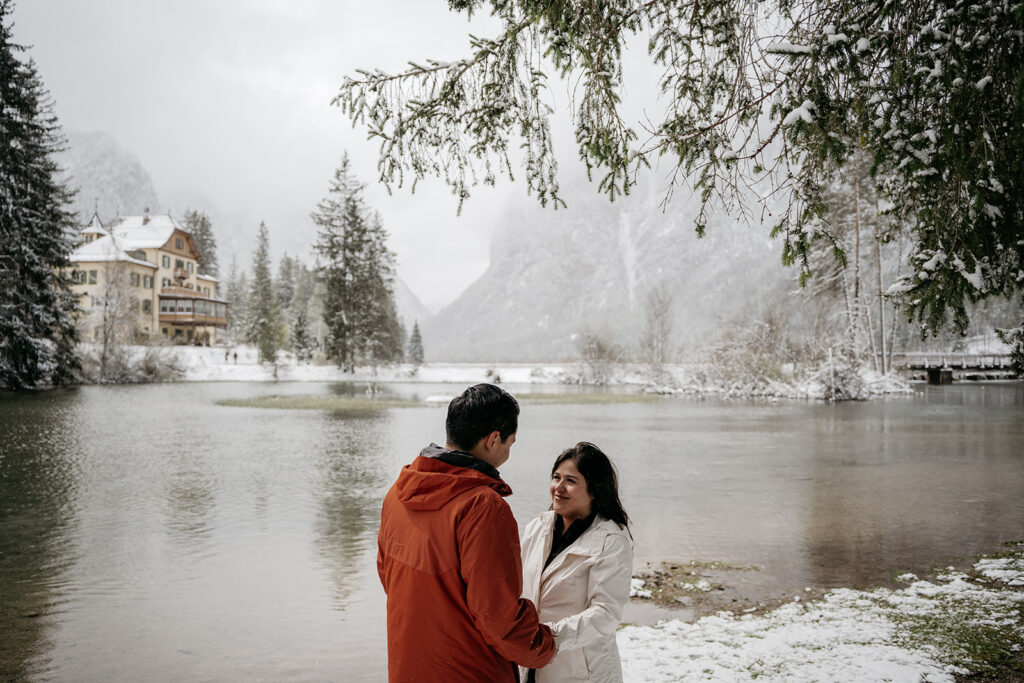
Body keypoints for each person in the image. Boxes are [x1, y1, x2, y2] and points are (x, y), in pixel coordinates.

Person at [377, 383, 557, 682]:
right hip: (470, 672)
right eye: (510, 444)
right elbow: (498, 618)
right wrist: (545, 646)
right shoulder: (482, 506)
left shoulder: (398, 492)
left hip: (408, 666)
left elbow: (389, 577)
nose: (508, 452)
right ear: (493, 439)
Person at [520, 442, 633, 683]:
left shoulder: (611, 541)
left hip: (582, 670)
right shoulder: (537, 526)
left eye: (570, 481)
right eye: (556, 477)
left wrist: (552, 637)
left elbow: (606, 613)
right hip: (529, 664)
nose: (558, 488)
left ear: (594, 489)